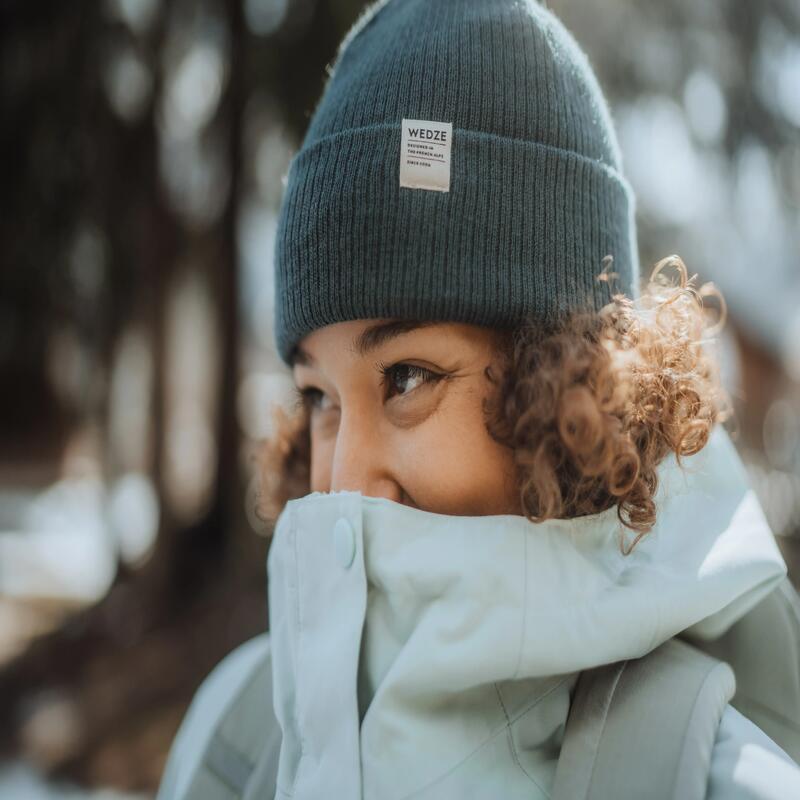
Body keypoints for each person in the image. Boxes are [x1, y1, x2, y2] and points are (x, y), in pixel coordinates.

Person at [156, 1, 800, 798]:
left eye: (407, 379)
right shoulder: (235, 738)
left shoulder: (715, 783)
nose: (344, 483)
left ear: (574, 397)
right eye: (319, 397)